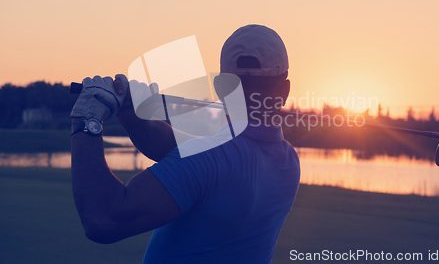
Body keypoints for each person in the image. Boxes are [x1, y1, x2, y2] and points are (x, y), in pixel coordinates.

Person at [70, 24, 300, 264]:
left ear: (220, 87)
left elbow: (103, 219)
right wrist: (130, 111)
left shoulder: (208, 160)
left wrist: (87, 119)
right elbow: (177, 149)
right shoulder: (288, 161)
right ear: (285, 90)